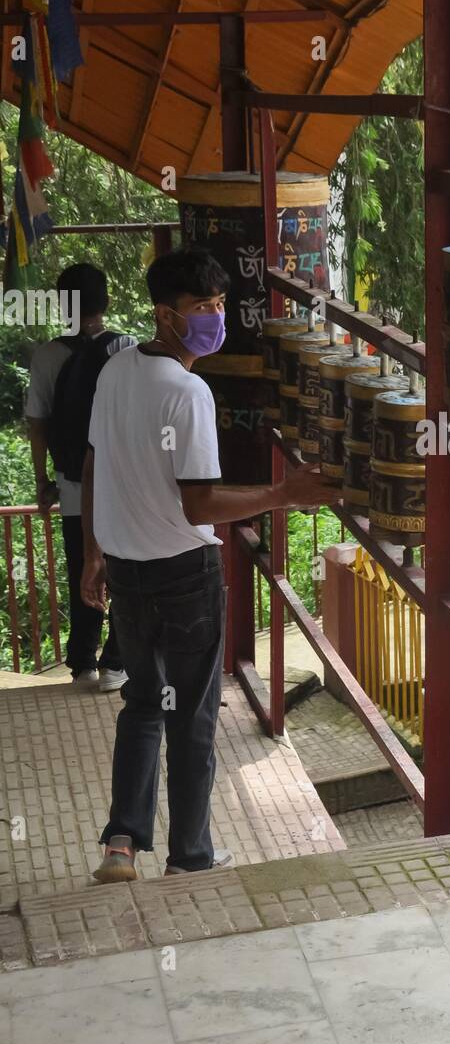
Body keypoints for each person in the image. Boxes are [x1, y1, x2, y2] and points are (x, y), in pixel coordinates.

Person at [80, 248, 338, 883]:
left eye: (221, 305)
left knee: (143, 702)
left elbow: (92, 464)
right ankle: (190, 856)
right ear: (167, 316)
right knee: (190, 714)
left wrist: (93, 550)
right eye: (203, 308)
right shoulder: (188, 393)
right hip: (183, 576)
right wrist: (285, 493)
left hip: (127, 569)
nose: (216, 319)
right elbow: (199, 500)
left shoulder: (115, 371)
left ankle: (121, 844)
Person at [25, 262, 135, 692]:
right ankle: (116, 663)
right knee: (125, 570)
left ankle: (83, 662)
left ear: (61, 305)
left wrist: (43, 483)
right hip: (123, 488)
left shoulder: (49, 356)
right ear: (106, 302)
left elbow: (38, 424)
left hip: (73, 488)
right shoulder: (128, 348)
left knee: (82, 571)